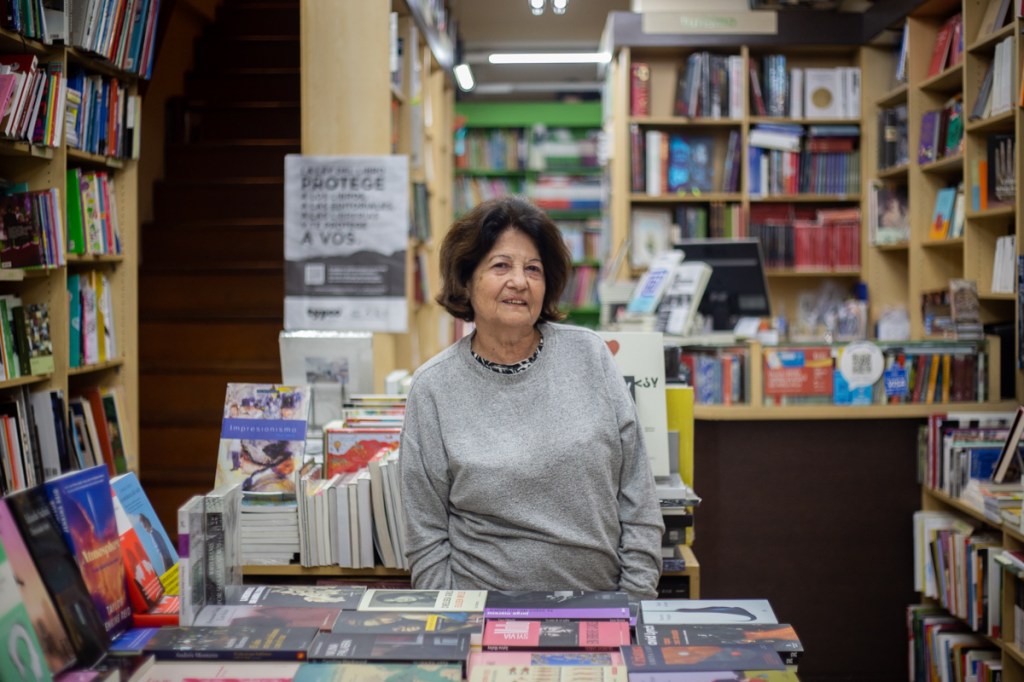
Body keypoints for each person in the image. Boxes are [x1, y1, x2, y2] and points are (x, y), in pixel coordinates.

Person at [399, 196, 664, 599]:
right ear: (466, 281)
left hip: (601, 604)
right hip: (481, 614)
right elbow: (426, 535)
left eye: (533, 269)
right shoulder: (433, 387)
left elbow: (639, 496)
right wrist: (457, 620)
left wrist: (633, 601)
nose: (519, 281)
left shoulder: (591, 356)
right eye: (501, 265)